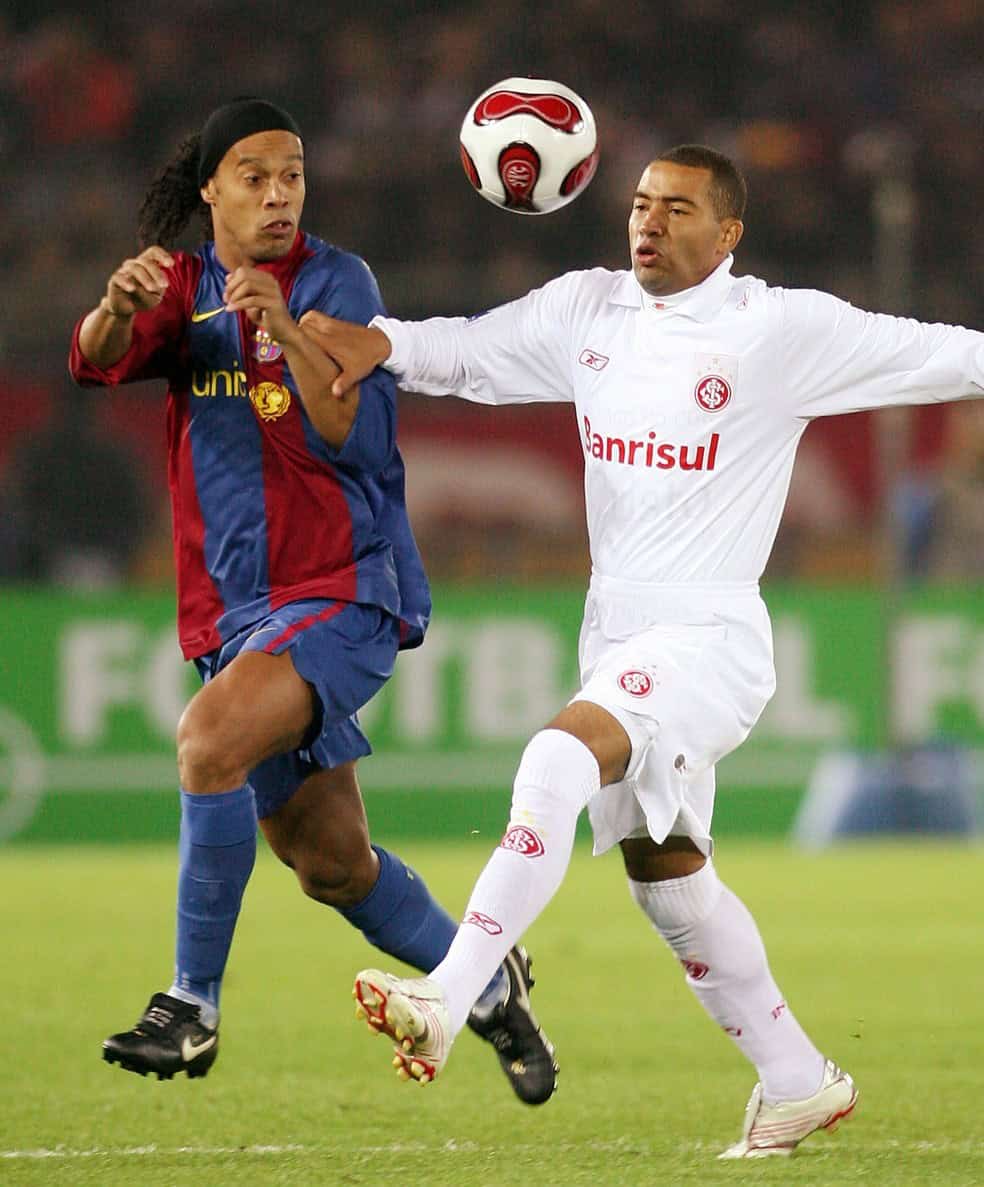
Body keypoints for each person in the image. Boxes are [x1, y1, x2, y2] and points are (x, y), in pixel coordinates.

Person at [300, 143, 984, 1158]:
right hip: (615, 628)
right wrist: (381, 342)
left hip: (708, 634)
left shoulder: (780, 331)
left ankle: (449, 992)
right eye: (638, 203)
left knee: (557, 755)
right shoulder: (590, 310)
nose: (648, 223)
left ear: (729, 232)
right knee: (667, 879)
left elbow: (945, 352)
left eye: (676, 208)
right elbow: (473, 353)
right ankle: (798, 1078)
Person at [68, 97, 557, 1106]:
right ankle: (487, 986)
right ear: (211, 189)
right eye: (254, 176)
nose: (279, 193)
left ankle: (190, 1006)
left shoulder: (338, 283)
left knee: (208, 740)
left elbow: (349, 434)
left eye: (291, 174)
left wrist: (284, 328)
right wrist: (115, 304)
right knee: (331, 863)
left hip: (342, 589)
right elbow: (94, 359)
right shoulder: (184, 288)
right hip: (234, 611)